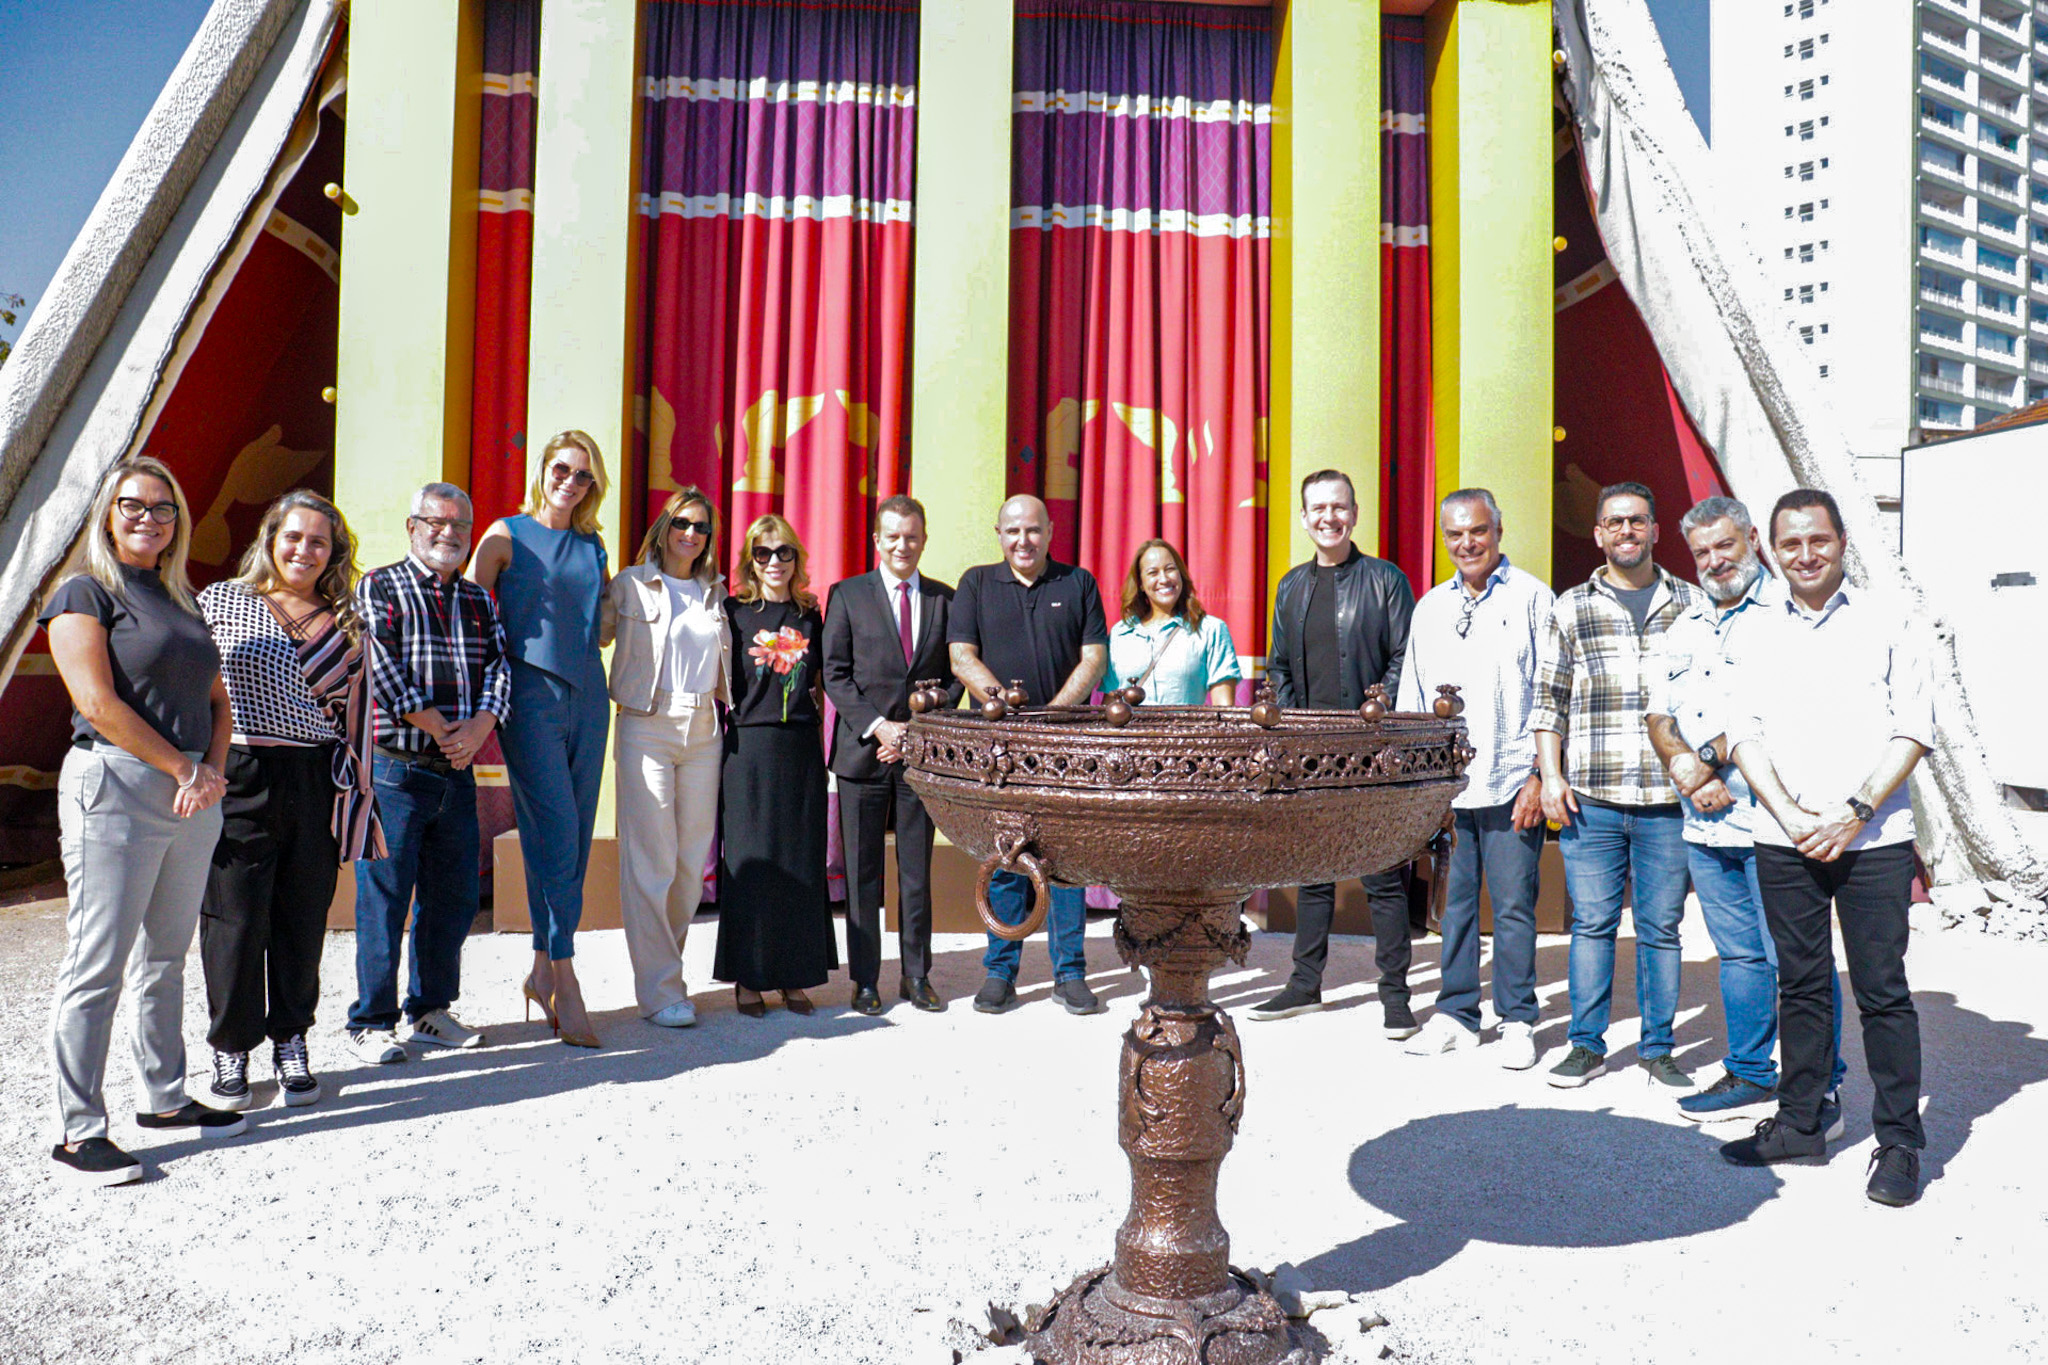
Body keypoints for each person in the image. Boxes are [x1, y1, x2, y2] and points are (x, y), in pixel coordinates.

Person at [1718, 489, 1933, 1208]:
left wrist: (1853, 811)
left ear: (1843, 540)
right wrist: (1790, 814)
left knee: (1882, 991)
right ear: (1769, 548)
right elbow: (1741, 732)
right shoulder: (1750, 631)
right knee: (1802, 983)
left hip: (1875, 838)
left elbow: (1914, 726)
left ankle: (1900, 1141)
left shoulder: (1889, 617)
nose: (1805, 555)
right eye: (1790, 544)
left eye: (1819, 540)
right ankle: (1801, 1122)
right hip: (1784, 837)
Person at [40, 456, 244, 1186]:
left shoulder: (180, 601)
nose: (148, 519)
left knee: (164, 954)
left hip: (190, 791)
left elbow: (219, 700)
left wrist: (209, 770)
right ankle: (78, 1132)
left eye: (164, 509)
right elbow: (98, 704)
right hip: (118, 784)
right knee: (97, 961)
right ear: (107, 511)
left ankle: (161, 1099)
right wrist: (184, 768)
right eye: (133, 505)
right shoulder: (84, 593)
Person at [1645, 496, 1846, 1128]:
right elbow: (1657, 713)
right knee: (1739, 958)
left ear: (1752, 539)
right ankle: (1752, 1072)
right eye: (1701, 552)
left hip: (1771, 822)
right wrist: (1683, 766)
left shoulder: (1787, 616)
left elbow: (1784, 715)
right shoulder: (1683, 625)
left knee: (1798, 959)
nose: (1713, 561)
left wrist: (1703, 760)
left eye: (1724, 546)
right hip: (1704, 824)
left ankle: (1823, 1088)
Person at [197, 491, 384, 1113]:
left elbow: (358, 720)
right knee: (236, 919)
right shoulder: (223, 601)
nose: (304, 550)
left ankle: (291, 1042)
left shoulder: (350, 619)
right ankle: (231, 1046)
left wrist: (359, 801)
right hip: (240, 768)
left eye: (319, 541)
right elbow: (193, 689)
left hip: (316, 777)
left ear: (334, 553)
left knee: (302, 920)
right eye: (294, 537)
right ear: (271, 539)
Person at [1533, 481, 1701, 1090]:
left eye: (1637, 521)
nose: (1625, 531)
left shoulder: (1692, 603)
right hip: (1592, 797)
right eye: (1614, 523)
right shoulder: (1570, 606)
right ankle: (1586, 1045)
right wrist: (1549, 777)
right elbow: (1548, 701)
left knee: (1661, 928)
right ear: (1598, 533)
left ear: (1656, 530)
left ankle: (1659, 1049)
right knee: (1593, 926)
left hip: (1666, 800)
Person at [1250, 470, 1419, 1039]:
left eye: (1339, 507)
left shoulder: (1386, 580)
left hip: (1370, 751)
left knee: (1383, 876)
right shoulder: (1291, 586)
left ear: (1355, 512)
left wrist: (1373, 716)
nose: (1329, 517)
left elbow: (1404, 657)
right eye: (1318, 508)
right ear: (1304, 518)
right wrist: (1297, 728)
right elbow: (1278, 664)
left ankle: (1396, 996)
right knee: (1312, 874)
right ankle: (1304, 985)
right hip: (1310, 750)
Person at [348, 482, 510, 1063]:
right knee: (385, 898)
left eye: (460, 526)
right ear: (413, 526)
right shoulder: (379, 586)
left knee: (453, 897)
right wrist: (447, 729)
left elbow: (499, 665)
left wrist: (483, 724)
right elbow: (378, 665)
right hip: (398, 769)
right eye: (436, 523)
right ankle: (370, 1020)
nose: (449, 534)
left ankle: (430, 1012)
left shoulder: (477, 600)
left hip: (457, 772)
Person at [1395, 489, 1552, 1068]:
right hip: (1450, 785)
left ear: (1499, 529)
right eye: (1455, 535)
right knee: (1453, 905)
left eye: (1478, 531)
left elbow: (1553, 694)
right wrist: (1419, 785)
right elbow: (1412, 699)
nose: (1467, 543)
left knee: (1513, 906)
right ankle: (1457, 1013)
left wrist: (1540, 774)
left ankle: (1517, 1019)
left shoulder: (1535, 599)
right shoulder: (1430, 607)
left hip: (1514, 779)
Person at [469, 431, 610, 1049]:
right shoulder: (505, 534)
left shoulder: (593, 545)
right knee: (554, 828)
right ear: (542, 470)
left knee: (573, 833)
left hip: (589, 697)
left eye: (584, 476)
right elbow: (467, 613)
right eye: (562, 469)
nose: (571, 482)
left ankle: (538, 968)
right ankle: (567, 974)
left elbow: (601, 630)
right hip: (528, 701)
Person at [948, 494, 1109, 1016]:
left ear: (1050, 531)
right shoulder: (975, 583)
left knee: (1067, 860)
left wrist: (1054, 716)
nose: (1023, 540)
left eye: (1033, 531)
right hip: (1001, 747)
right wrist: (1002, 705)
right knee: (1004, 857)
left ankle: (1070, 973)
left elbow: (1094, 658)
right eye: (1013, 531)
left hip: (1064, 744)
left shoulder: (1077, 583)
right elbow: (960, 656)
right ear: (999, 533)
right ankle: (1000, 972)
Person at [822, 494, 961, 1016]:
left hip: (920, 756)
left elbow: (952, 677)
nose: (903, 545)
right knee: (861, 875)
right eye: (893, 536)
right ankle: (864, 981)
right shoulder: (848, 594)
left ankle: (917, 974)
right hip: (863, 756)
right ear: (876, 541)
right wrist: (880, 729)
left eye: (913, 536)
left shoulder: (945, 600)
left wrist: (914, 731)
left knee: (915, 872)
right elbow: (834, 672)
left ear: (924, 539)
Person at [604, 486, 731, 1028]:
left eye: (702, 527)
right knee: (651, 860)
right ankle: (659, 990)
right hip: (647, 725)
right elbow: (589, 635)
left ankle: (665, 972)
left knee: (688, 863)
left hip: (704, 727)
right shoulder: (630, 585)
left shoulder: (716, 591)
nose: (692, 534)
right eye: (683, 522)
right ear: (664, 525)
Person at [714, 514, 839, 1016]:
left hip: (800, 751)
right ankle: (748, 977)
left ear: (797, 558)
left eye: (783, 552)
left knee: (799, 863)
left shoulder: (812, 615)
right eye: (763, 554)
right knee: (751, 864)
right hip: (749, 750)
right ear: (750, 559)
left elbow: (827, 678)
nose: (774, 563)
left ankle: (794, 975)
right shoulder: (733, 612)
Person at [1103, 539, 1241, 706]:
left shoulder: (1211, 630)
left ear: (1181, 575)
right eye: (1153, 573)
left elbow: (1223, 708)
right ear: (1140, 584)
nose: (1163, 579)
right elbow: (1111, 704)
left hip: (1186, 731)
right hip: (1131, 732)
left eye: (1170, 569)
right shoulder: (1120, 634)